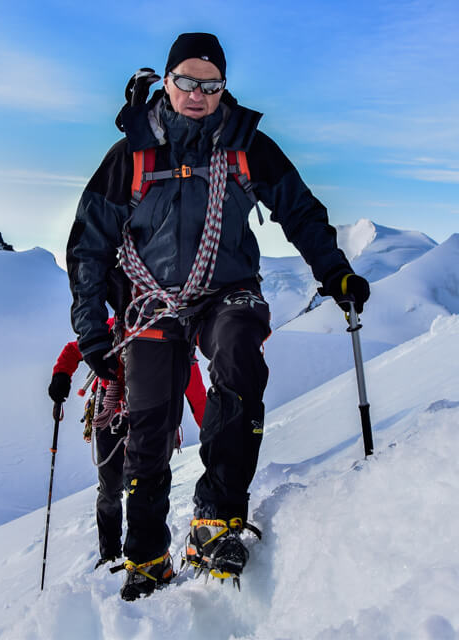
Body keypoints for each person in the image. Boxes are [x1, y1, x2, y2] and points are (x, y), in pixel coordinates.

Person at [66, 33, 370, 601]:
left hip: (227, 289)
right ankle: (147, 557)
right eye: (186, 81)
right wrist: (89, 328)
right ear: (166, 80)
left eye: (211, 84)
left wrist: (336, 272)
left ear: (223, 87)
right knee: (150, 422)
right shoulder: (130, 155)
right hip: (152, 299)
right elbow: (88, 245)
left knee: (238, 355)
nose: (198, 94)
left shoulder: (246, 145)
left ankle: (217, 515)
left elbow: (299, 211)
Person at [48, 317, 207, 569]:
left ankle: (138, 551)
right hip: (116, 416)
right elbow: (75, 349)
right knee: (113, 488)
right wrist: (61, 376)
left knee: (135, 488)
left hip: (136, 419)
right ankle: (111, 552)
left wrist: (211, 434)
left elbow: (197, 395)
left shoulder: (172, 343)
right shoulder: (114, 328)